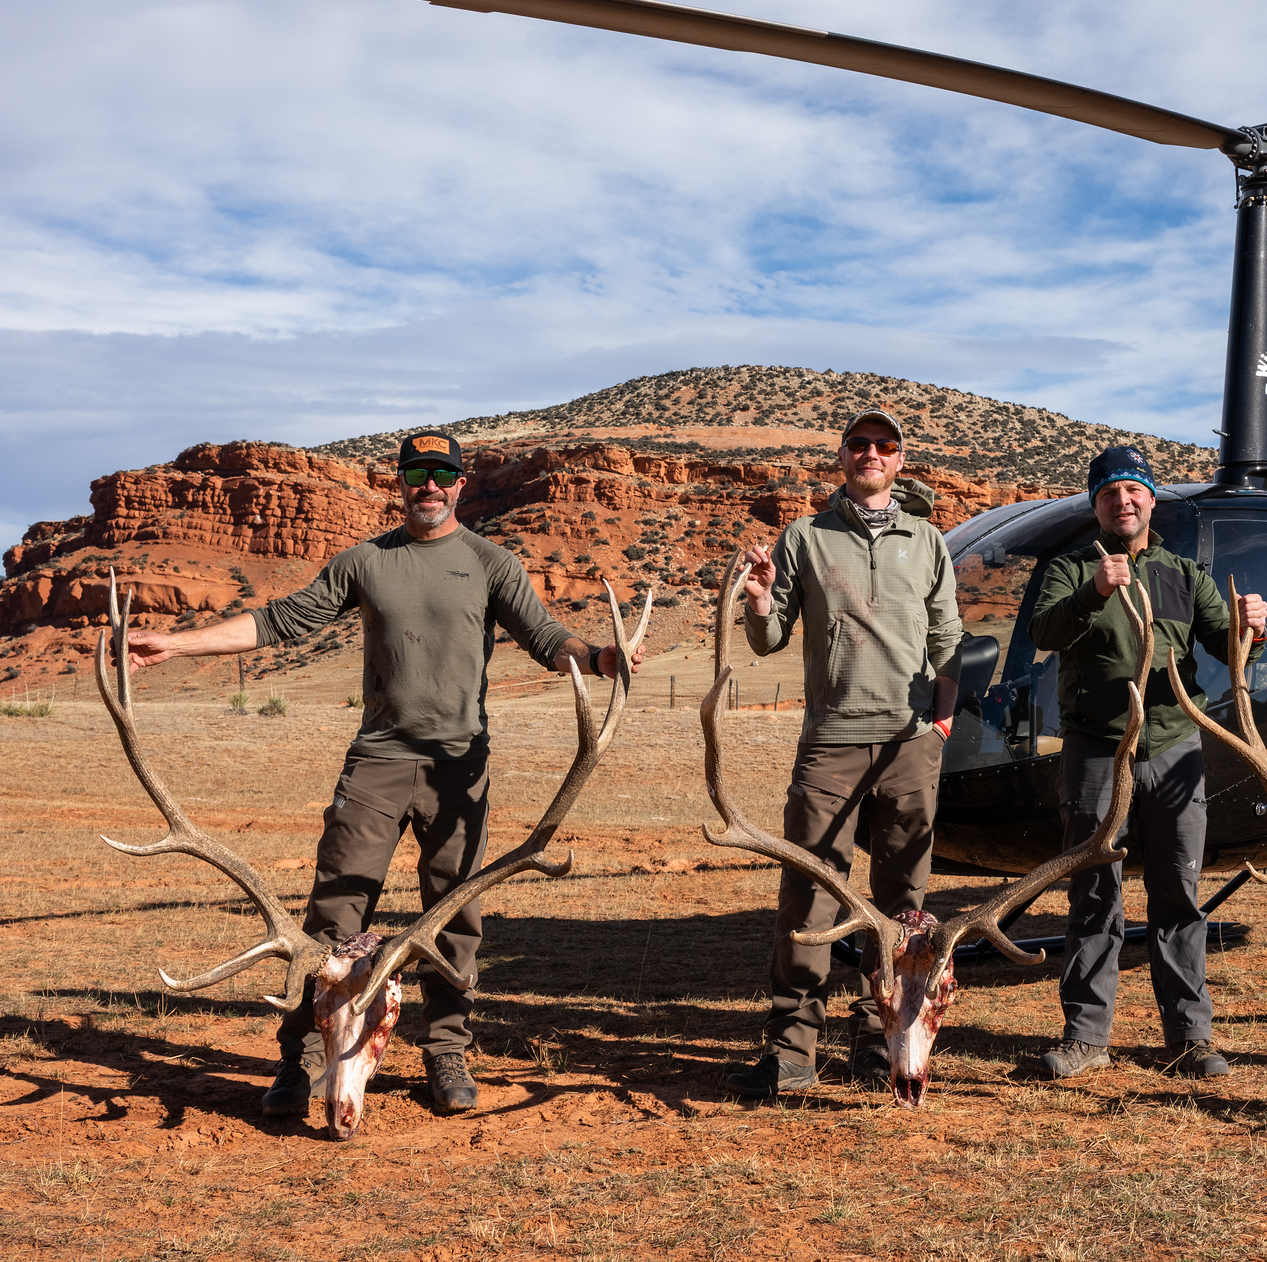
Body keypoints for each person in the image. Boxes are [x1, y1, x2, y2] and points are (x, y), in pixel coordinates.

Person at [124, 432, 642, 1117]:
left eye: (441, 473)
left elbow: (548, 639)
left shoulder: (491, 563)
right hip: (378, 761)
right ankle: (304, 1057)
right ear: (400, 483)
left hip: (461, 767)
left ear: (460, 482)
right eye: (416, 474)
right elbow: (282, 621)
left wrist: (603, 657)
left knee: (456, 912)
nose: (429, 485)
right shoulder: (365, 562)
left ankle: (446, 1049)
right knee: (334, 912)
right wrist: (178, 643)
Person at [727, 410, 964, 1098]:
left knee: (901, 903)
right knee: (810, 894)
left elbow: (949, 639)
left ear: (899, 460)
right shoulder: (805, 536)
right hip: (830, 741)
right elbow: (769, 639)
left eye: (883, 446)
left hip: (910, 742)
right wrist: (762, 599)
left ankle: (875, 1035)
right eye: (859, 444)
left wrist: (941, 725)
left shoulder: (928, 542)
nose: (870, 453)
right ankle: (793, 1047)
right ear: (842, 456)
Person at [1028, 446, 1267, 1081]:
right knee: (1093, 894)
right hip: (1097, 753)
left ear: (1151, 501)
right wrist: (1094, 592)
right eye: (1109, 493)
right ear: (1095, 505)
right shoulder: (1068, 568)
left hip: (1173, 750)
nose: (1123, 502)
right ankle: (1085, 1038)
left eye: (1133, 491)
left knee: (1177, 897)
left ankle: (1190, 1039)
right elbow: (1043, 634)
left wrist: (1251, 627)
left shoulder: (1184, 574)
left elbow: (1224, 643)